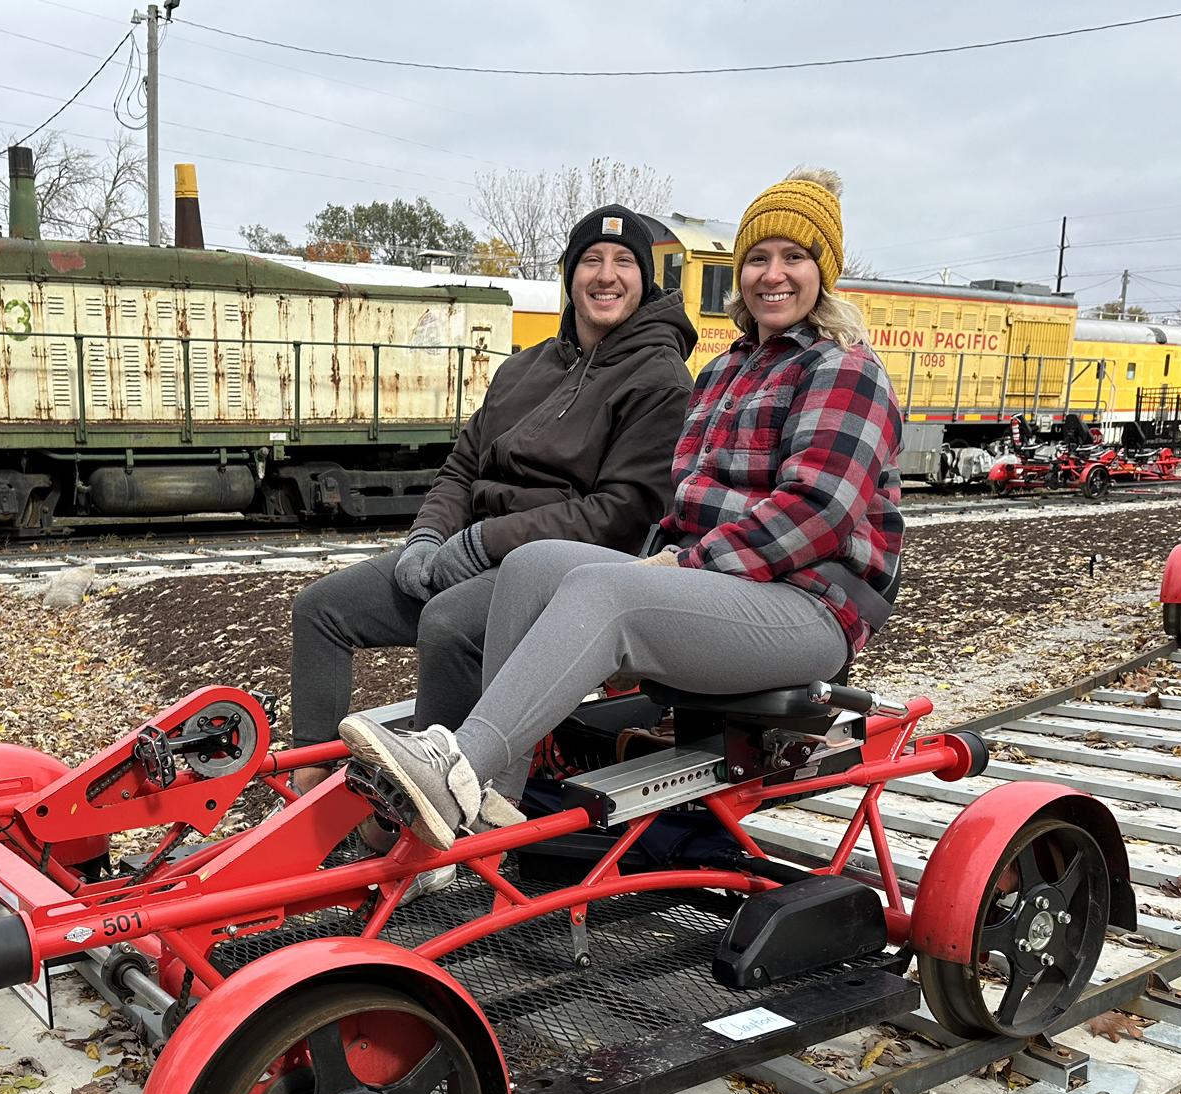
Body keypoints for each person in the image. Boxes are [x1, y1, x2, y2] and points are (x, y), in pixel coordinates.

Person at [337, 168, 904, 852]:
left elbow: (814, 514)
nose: (772, 275)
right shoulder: (728, 370)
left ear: (824, 274)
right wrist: (664, 560)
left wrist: (678, 567)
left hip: (807, 607)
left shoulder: (844, 369)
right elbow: (684, 502)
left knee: (608, 591)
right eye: (758, 258)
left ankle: (455, 770)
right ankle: (493, 800)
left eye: (794, 259)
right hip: (723, 587)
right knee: (537, 563)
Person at [289, 203, 697, 806]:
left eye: (623, 262)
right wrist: (427, 538)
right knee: (322, 609)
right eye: (591, 260)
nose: (606, 275)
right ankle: (307, 797)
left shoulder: (658, 378)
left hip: (562, 567)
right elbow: (462, 467)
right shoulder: (524, 367)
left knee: (449, 624)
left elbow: (619, 514)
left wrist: (484, 543)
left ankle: (434, 814)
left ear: (644, 279)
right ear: (569, 274)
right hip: (465, 549)